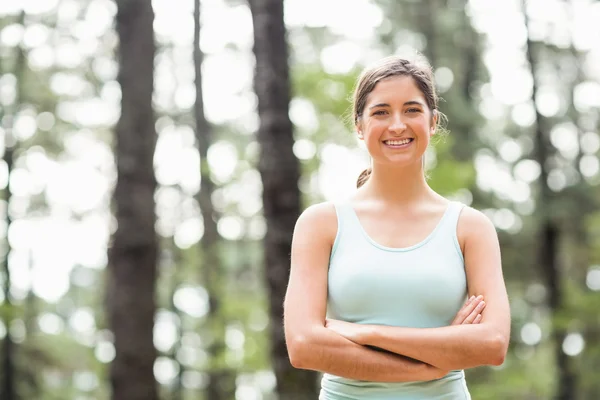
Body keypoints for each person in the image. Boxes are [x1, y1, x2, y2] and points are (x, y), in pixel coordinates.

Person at [283, 55, 511, 399]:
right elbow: (303, 346)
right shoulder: (321, 224)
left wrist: (367, 333)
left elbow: (492, 343)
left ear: (433, 122)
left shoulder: (470, 228)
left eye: (412, 110)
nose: (397, 125)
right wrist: (433, 361)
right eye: (381, 112)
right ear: (359, 126)